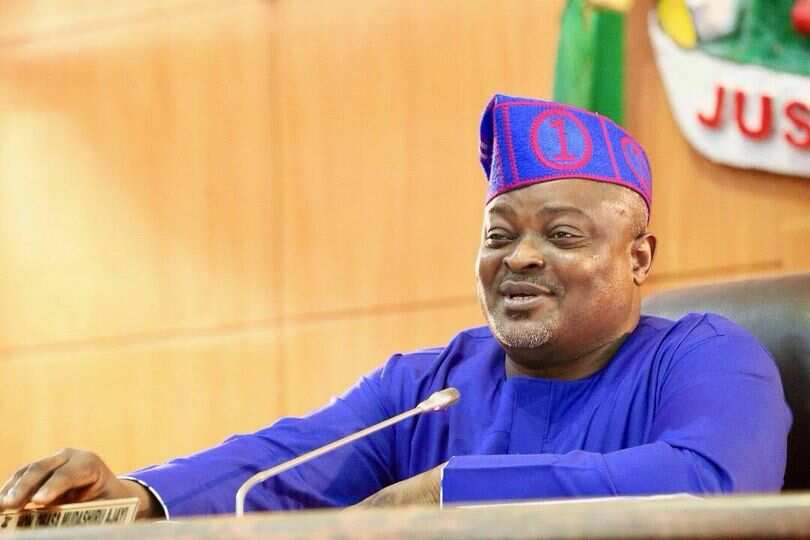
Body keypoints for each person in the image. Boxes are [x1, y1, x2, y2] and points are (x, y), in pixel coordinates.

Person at [0, 94, 791, 520]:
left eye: (560, 235)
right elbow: (282, 464)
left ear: (638, 258)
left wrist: (448, 491)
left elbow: (710, 481)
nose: (518, 257)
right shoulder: (433, 384)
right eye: (498, 234)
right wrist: (140, 497)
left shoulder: (705, 354)